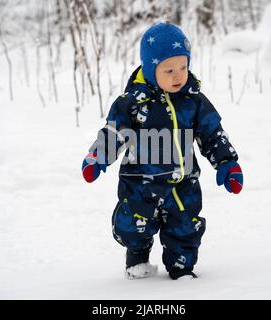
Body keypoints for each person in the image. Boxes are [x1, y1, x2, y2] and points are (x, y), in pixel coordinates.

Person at [82, 22, 243, 280]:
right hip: (141, 184)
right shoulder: (133, 103)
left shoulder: (193, 101)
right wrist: (97, 156)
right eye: (168, 70)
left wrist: (226, 162)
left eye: (183, 67)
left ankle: (181, 270)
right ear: (150, 68)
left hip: (183, 184)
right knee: (133, 227)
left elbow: (212, 133)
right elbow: (114, 132)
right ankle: (137, 255)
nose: (178, 75)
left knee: (185, 227)